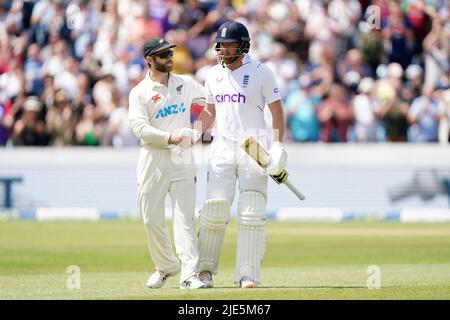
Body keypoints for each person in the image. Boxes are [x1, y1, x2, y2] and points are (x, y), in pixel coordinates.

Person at [195, 21, 287, 289]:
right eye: (221, 45)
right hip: (222, 148)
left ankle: (248, 275)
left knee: (251, 211)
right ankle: (204, 272)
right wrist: (193, 134)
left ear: (243, 46)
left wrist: (277, 145)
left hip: (254, 150)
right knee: (214, 210)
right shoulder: (212, 74)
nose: (223, 50)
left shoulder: (262, 72)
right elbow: (210, 111)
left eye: (229, 45)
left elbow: (277, 111)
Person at [128, 37, 206, 290]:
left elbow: (211, 106)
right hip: (154, 157)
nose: (169, 58)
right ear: (149, 60)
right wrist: (171, 137)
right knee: (151, 218)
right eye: (162, 55)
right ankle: (166, 266)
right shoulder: (140, 92)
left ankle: (189, 274)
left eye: (169, 53)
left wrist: (198, 131)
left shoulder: (186, 84)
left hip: (182, 158)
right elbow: (139, 128)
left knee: (184, 218)